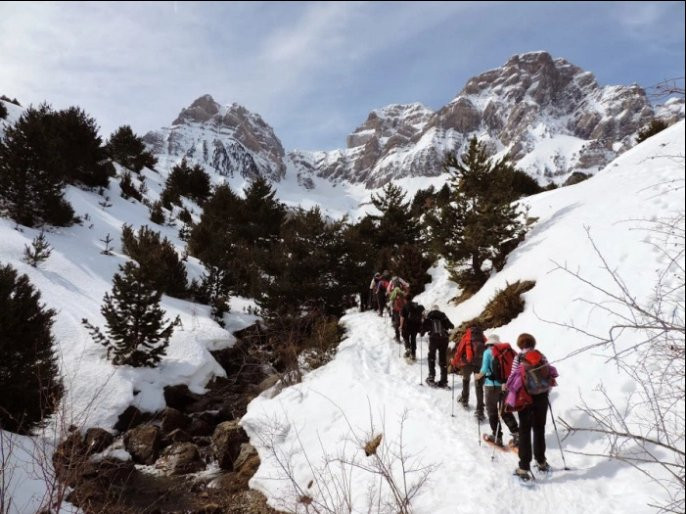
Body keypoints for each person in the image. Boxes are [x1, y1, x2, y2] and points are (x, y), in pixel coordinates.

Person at [505, 333, 558, 479]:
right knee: (539, 429)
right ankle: (541, 462)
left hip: (525, 399)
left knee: (524, 431)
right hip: (541, 398)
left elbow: (513, 377)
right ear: (533, 343)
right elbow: (549, 376)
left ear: (520, 345)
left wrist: (508, 390)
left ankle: (524, 467)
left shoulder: (518, 358)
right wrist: (544, 393)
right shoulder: (541, 356)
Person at [474, 334, 519, 447]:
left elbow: (484, 369)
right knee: (505, 410)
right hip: (505, 385)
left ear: (488, 343)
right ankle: (517, 433)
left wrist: (477, 376)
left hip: (491, 386)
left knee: (492, 411)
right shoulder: (506, 352)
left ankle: (497, 436)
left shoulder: (487, 352)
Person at [450, 324, 487, 421]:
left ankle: (465, 400)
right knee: (479, 386)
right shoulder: (482, 337)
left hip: (467, 363)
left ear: (469, 329)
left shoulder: (467, 336)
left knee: (466, 380)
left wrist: (454, 363)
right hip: (480, 363)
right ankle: (480, 410)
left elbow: (459, 351)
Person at [420, 305, 454, 387]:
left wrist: (422, 332)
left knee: (431, 357)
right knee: (442, 359)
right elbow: (451, 326)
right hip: (444, 339)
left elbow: (424, 328)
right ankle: (444, 381)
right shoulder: (443, 315)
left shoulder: (430, 316)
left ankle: (431, 377)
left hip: (434, 339)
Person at [400, 295, 424, 360]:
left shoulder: (404, 307)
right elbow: (421, 316)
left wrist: (401, 326)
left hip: (407, 326)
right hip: (415, 326)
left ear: (405, 300)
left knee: (405, 337)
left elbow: (402, 318)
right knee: (413, 339)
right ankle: (413, 354)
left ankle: (408, 348)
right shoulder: (416, 305)